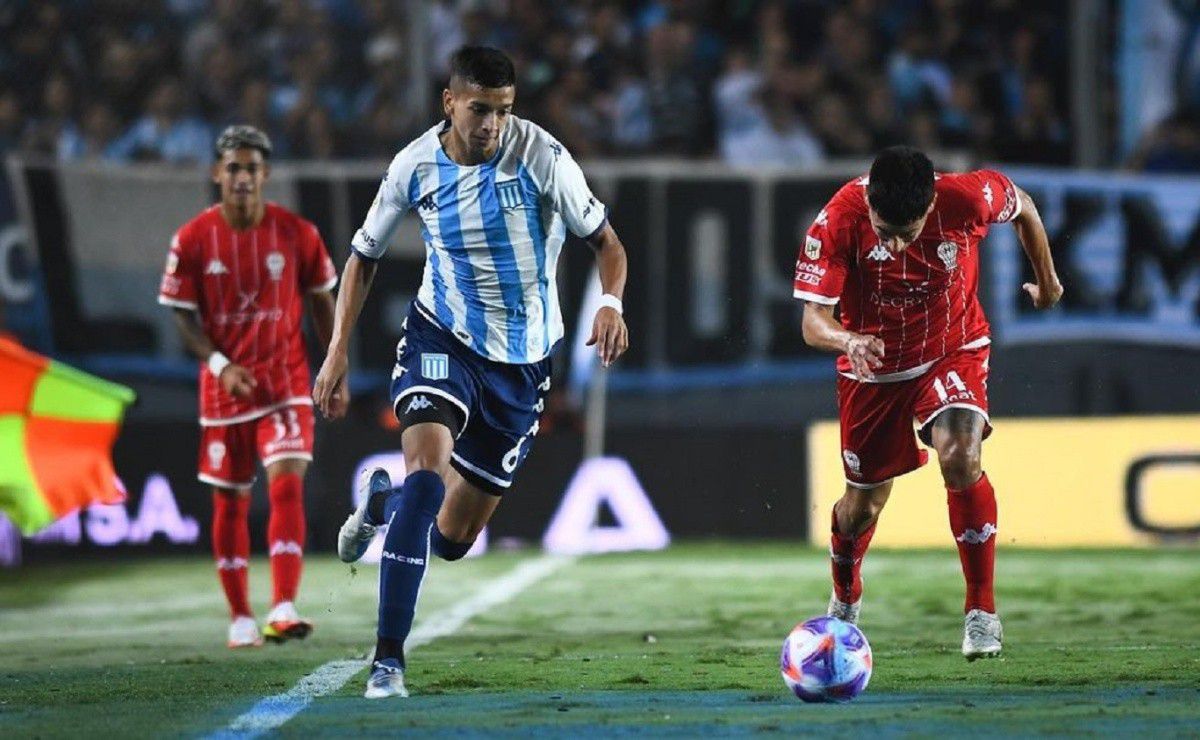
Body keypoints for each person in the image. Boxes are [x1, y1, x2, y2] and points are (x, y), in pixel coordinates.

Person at [312, 46, 630, 699]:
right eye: (479, 108)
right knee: (427, 482)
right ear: (449, 103)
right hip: (443, 338)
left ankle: (381, 504)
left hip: (523, 366)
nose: (491, 123)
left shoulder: (542, 156)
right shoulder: (413, 166)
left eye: (503, 110)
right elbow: (362, 256)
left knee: (454, 539)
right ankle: (388, 662)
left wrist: (610, 303)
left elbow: (607, 243)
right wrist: (338, 348)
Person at [794, 146, 1061, 659]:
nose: (894, 246)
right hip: (872, 367)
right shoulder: (837, 220)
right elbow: (812, 322)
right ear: (868, 201)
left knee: (960, 454)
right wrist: (848, 340)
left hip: (951, 349)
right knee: (861, 506)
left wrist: (1048, 282)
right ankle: (846, 596)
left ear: (931, 204)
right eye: (883, 230)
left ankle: (981, 612)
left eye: (908, 233)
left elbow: (1023, 204)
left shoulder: (965, 198)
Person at [158, 125, 337, 648]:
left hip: (284, 382)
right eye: (233, 168)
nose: (241, 177)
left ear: (265, 176)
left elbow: (323, 298)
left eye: (251, 169)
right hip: (225, 390)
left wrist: (335, 363)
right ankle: (240, 616)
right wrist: (218, 364)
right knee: (231, 503)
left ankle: (282, 605)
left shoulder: (297, 233)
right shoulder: (192, 239)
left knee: (286, 483)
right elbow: (182, 316)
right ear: (217, 173)